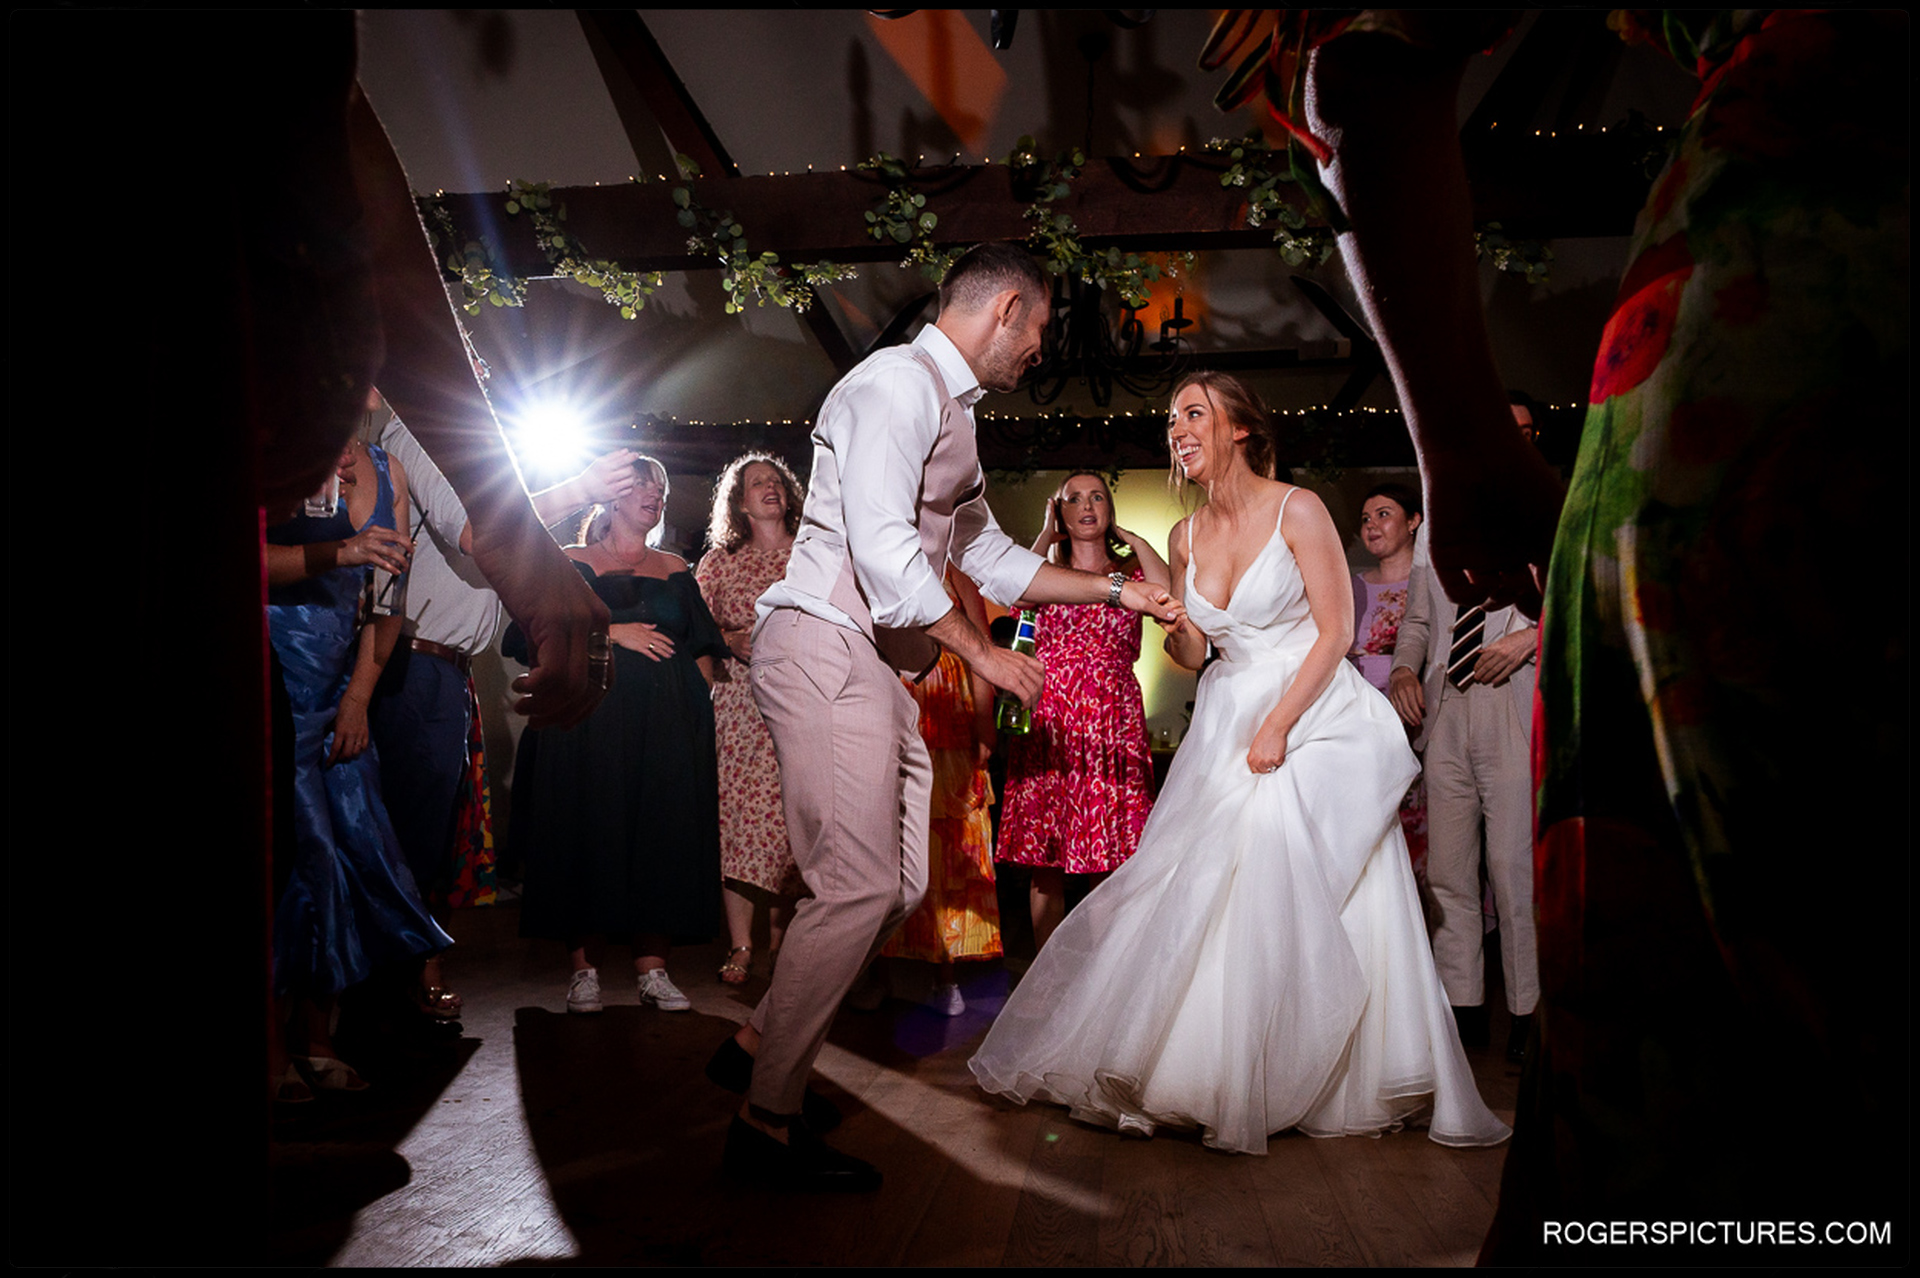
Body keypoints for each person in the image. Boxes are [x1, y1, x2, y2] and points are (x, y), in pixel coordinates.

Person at [1305, 7, 1907, 1252]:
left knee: (1701, 1038)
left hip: (1775, 337)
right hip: (1787, 372)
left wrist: (1462, 441)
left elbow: (1367, 52)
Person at [706, 241, 1182, 1191]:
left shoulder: (954, 417)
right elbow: (884, 547)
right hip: (826, 643)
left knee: (896, 886)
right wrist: (986, 653)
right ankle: (767, 1119)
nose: (1041, 349)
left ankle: (764, 1039)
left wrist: (1115, 597)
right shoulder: (894, 386)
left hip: (878, 666)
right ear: (1007, 309)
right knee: (854, 885)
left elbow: (994, 555)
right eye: (1041, 328)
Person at [969, 372, 1509, 1154]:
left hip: (1306, 707)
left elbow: (1335, 632)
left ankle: (1298, 1067)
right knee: (1201, 883)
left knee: (1277, 866)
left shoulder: (1300, 508)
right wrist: (1173, 619)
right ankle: (1200, 1066)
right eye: (1172, 419)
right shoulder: (1184, 539)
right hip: (1224, 711)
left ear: (1242, 430)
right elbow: (1195, 654)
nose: (1178, 429)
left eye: (1195, 414)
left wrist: (1278, 726)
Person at [373, 418, 650, 1018]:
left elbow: (506, 534)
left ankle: (415, 979)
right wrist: (578, 489)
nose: (480, 371)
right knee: (408, 840)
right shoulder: (416, 434)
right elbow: (477, 535)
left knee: (438, 840)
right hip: (414, 664)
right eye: (470, 354)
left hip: (447, 668)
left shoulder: (465, 452)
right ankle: (386, 998)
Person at [507, 457, 727, 1015]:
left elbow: (703, 646)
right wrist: (612, 631)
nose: (655, 495)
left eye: (662, 488)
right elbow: (531, 630)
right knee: (587, 827)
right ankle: (584, 972)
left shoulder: (676, 567)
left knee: (662, 834)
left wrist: (694, 709)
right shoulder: (569, 561)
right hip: (588, 718)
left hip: (668, 724)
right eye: (643, 486)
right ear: (610, 496)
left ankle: (653, 970)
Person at [266, 440, 454, 1093]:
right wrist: (337, 550)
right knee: (287, 861)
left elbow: (388, 600)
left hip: (337, 688)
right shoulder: (275, 449)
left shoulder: (387, 468)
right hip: (272, 683)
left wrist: (357, 697)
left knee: (345, 854)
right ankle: (271, 1054)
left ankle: (319, 1039)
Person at [1386, 437, 1538, 1061]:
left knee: (1513, 870)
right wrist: (1401, 670)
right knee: (1448, 874)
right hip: (1444, 709)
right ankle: (1464, 1012)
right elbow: (1421, 620)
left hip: (1510, 703)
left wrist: (1531, 635)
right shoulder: (1438, 520)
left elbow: (1583, 597)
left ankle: (1529, 1016)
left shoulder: (1541, 513)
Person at [996, 471, 1167, 952]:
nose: (1087, 506)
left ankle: (1102, 981)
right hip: (1053, 721)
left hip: (1112, 721)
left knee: (1111, 858)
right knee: (1045, 861)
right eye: (1074, 499)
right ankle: (1046, 982)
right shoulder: (1045, 575)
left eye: (1098, 497)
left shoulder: (1129, 574)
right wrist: (1047, 532)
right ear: (1059, 510)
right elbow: (1015, 589)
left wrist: (1129, 537)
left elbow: (1166, 590)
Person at [695, 453, 808, 985]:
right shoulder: (721, 562)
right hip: (740, 705)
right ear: (739, 502)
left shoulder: (813, 555)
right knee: (739, 822)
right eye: (755, 484)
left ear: (788, 495)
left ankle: (784, 946)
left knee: (792, 823)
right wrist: (723, 641)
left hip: (806, 698)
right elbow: (693, 628)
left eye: (775, 482)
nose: (768, 488)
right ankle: (741, 946)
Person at [878, 571, 1004, 1015]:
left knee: (949, 847)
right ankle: (881, 971)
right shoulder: (880, 555)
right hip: (893, 706)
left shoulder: (958, 574)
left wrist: (985, 721)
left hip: (950, 713)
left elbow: (983, 652)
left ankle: (946, 973)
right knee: (887, 840)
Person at [1347, 482, 1430, 888]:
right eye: (1365, 518)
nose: (1372, 526)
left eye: (1383, 514)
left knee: (1425, 832)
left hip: (1419, 718)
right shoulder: (1351, 587)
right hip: (1362, 723)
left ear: (1414, 521)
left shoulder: (1434, 581)